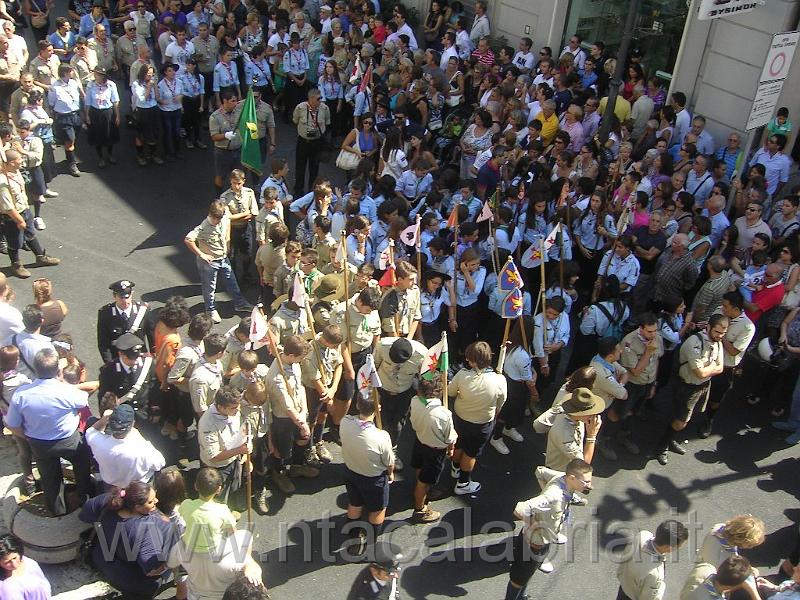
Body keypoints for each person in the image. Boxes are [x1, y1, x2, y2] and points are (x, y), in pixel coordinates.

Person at [4, 347, 92, 515]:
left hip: (39, 445)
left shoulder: (21, 394)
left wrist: (27, 437)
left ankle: (57, 512)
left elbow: (12, 424)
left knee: (50, 481)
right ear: (58, 370)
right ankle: (84, 499)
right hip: (69, 441)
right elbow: (83, 402)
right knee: (82, 465)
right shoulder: (67, 391)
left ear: (35, 369)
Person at [506, 459, 594, 600]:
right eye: (586, 482)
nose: (590, 486)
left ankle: (520, 597)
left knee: (527, 575)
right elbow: (519, 508)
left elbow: (540, 471)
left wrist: (545, 491)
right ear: (572, 478)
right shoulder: (553, 496)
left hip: (544, 541)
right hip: (533, 545)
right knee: (518, 580)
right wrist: (534, 524)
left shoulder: (562, 478)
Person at [79, 482, 179, 599]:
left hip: (102, 559)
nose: (156, 501)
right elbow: (151, 570)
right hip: (130, 580)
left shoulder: (109, 501)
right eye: (151, 501)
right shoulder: (144, 530)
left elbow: (84, 515)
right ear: (137, 507)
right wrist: (169, 565)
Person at [654, 314, 728, 465]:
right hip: (687, 387)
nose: (720, 336)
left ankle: (671, 439)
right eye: (717, 332)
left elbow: (721, 367)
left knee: (687, 417)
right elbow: (700, 372)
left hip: (703, 385)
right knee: (681, 420)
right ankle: (662, 445)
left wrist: (709, 369)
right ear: (708, 328)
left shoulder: (717, 342)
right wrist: (712, 368)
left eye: (723, 333)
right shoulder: (694, 343)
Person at [449, 341, 507, 495]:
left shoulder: (462, 375)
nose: (467, 361)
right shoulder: (499, 380)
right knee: (471, 453)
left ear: (474, 360)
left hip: (460, 418)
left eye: (469, 358)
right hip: (482, 423)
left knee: (459, 444)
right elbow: (501, 402)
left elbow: (450, 392)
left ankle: (455, 469)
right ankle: (462, 483)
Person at [341, 393, 395, 554]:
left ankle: (353, 538)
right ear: (378, 408)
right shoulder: (381, 437)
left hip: (351, 471)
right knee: (378, 510)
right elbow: (389, 462)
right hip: (374, 479)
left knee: (355, 503)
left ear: (358, 405)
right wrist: (390, 474)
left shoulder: (345, 422)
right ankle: (371, 544)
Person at [185, 199, 253, 324]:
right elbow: (188, 239)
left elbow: (227, 225)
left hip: (223, 258)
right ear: (210, 214)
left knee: (232, 281)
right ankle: (210, 310)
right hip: (209, 262)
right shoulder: (203, 227)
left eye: (220, 219)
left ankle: (240, 303)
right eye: (216, 219)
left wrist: (227, 243)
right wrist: (201, 254)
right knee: (209, 287)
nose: (218, 222)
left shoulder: (224, 216)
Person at [0, 149, 60, 279]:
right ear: (11, 163)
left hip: (24, 210)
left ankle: (40, 256)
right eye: (18, 159)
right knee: (15, 242)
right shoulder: (3, 183)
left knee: (31, 234)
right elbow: (8, 207)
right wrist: (19, 220)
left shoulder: (15, 173)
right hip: (12, 217)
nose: (21, 160)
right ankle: (16, 265)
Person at [85, 403, 166, 489]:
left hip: (110, 488)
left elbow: (91, 431)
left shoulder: (98, 442)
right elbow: (160, 463)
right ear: (133, 423)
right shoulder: (143, 449)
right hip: (137, 490)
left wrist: (104, 418)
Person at [374, 336, 426, 466]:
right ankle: (376, 451)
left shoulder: (423, 356)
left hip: (403, 392)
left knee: (397, 425)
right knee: (380, 422)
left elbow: (424, 378)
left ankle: (392, 451)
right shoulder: (383, 345)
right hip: (382, 389)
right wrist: (371, 390)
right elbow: (373, 366)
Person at [616, 520, 689, 600]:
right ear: (669, 547)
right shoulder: (654, 574)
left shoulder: (643, 535)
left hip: (624, 584)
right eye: (678, 546)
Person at [98, 333, 153, 415]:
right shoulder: (108, 371)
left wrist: (156, 409)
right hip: (122, 415)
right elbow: (104, 397)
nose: (135, 361)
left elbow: (154, 387)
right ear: (121, 354)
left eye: (136, 357)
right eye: (131, 358)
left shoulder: (148, 364)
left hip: (144, 413)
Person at [96, 279, 148, 364]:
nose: (125, 301)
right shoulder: (105, 313)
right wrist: (110, 363)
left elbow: (151, 336)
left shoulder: (143, 310)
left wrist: (152, 356)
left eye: (127, 297)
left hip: (138, 357)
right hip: (117, 359)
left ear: (132, 294)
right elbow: (103, 343)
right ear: (114, 296)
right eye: (121, 297)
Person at [292, 88, 331, 197]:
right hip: (303, 141)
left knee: (314, 168)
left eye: (321, 98)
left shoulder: (324, 109)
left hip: (316, 142)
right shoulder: (300, 108)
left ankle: (312, 192)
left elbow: (327, 123)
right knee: (300, 168)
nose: (320, 101)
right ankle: (298, 191)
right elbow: (295, 120)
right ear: (311, 99)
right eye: (318, 99)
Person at [47, 63, 83, 177]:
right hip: (64, 117)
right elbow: (51, 103)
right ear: (65, 73)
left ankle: (69, 155)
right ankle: (72, 164)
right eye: (71, 71)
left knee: (74, 138)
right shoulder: (55, 87)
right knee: (69, 140)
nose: (73, 73)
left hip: (75, 115)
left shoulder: (73, 83)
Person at [84, 66, 120, 168]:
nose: (98, 76)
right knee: (97, 136)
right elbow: (88, 102)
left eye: (100, 75)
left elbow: (115, 101)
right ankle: (100, 158)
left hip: (108, 112)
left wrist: (117, 116)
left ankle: (110, 154)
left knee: (109, 135)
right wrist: (87, 116)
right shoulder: (90, 86)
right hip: (95, 113)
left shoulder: (111, 85)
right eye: (96, 74)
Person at [0, 533, 51, 599]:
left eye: (15, 558)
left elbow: (44, 587)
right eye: (7, 562)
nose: (14, 565)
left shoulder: (30, 565)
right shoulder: (4, 586)